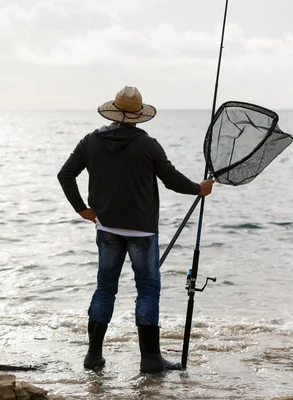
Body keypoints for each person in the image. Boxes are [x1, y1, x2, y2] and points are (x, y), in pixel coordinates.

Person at [57, 86, 214, 373]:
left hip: (106, 228)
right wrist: (198, 189)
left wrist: (82, 209)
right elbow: (172, 180)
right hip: (142, 233)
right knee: (147, 291)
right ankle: (151, 359)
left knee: (105, 290)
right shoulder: (147, 144)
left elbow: (65, 174)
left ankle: (93, 356)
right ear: (139, 115)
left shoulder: (91, 141)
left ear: (114, 112)